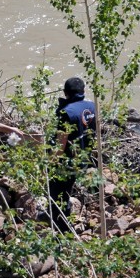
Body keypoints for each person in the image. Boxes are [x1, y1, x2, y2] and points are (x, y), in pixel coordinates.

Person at [47, 77, 96, 233]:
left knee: (56, 195)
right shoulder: (93, 107)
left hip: (66, 163)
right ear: (83, 91)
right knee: (66, 190)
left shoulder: (66, 113)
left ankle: (62, 231)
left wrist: (49, 163)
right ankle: (60, 217)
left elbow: (61, 145)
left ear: (65, 93)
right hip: (82, 160)